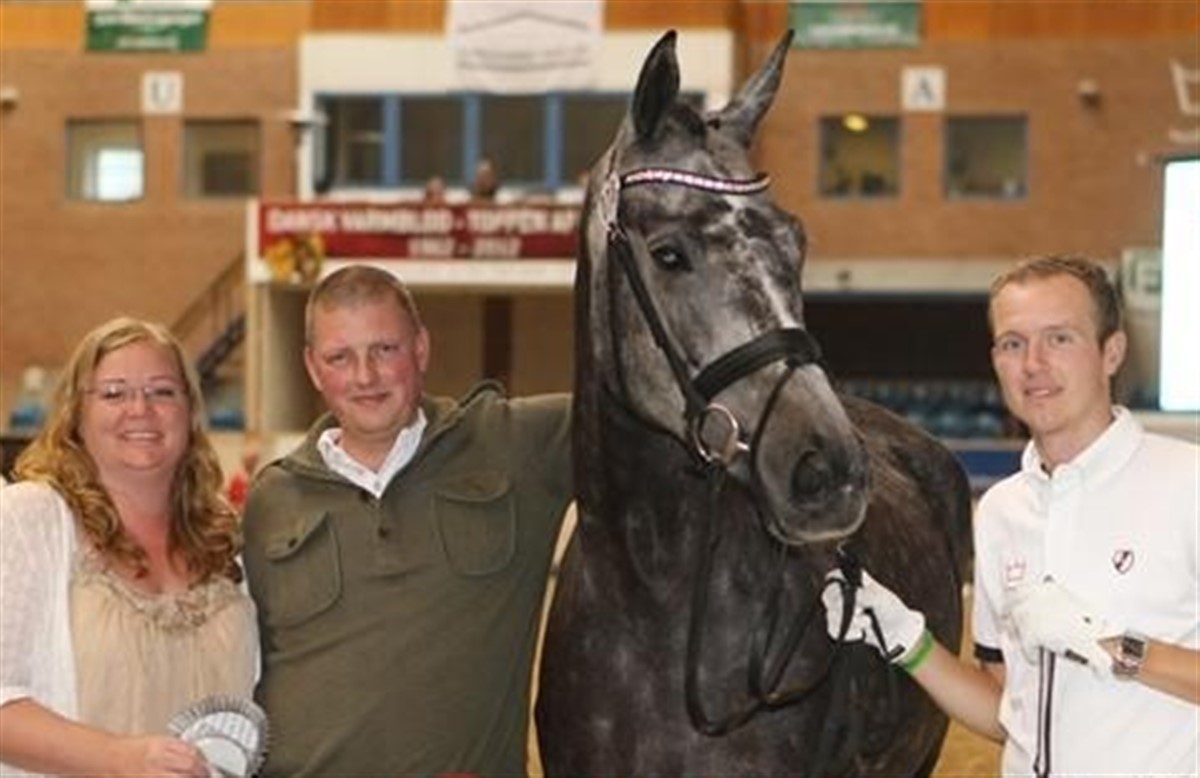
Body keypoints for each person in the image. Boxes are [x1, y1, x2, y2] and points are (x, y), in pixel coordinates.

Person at [824, 255, 1199, 775]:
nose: (1033, 364)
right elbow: (1007, 711)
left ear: (1111, 352)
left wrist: (1107, 645)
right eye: (1013, 343)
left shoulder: (1188, 484)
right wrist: (909, 641)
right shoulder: (1002, 511)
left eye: (1059, 338)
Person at [241, 264, 572, 776]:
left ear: (420, 349)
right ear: (312, 368)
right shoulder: (270, 500)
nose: (364, 376)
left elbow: (656, 415)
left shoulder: (517, 445)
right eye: (339, 357)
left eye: (384, 349)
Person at [0, 317, 258, 777]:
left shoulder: (223, 539)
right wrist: (120, 759)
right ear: (76, 414)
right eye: (114, 393)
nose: (140, 409)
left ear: (190, 412)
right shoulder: (28, 519)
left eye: (162, 391)